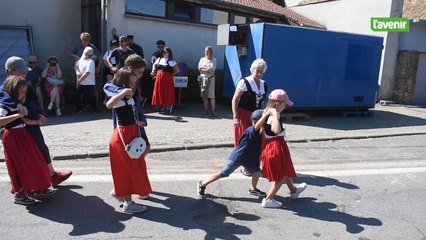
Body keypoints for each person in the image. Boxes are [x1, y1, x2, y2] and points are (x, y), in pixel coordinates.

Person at [5, 56, 72, 188]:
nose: (25, 74)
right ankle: (31, 185)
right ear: (10, 71)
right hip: (20, 128)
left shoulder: (25, 83)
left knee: (41, 148)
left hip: (33, 123)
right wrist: (23, 114)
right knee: (29, 157)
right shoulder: (5, 90)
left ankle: (51, 176)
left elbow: (32, 101)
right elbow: (7, 107)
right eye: (22, 72)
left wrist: (39, 113)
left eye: (25, 71)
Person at [0, 75, 55, 205]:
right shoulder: (5, 105)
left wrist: (35, 121)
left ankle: (38, 187)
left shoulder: (15, 102)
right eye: (22, 91)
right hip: (13, 137)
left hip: (22, 134)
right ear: (13, 89)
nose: (24, 94)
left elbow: (22, 120)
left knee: (36, 161)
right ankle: (20, 193)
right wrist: (17, 115)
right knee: (21, 165)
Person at [104, 67, 152, 214]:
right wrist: (124, 92)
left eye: (134, 81)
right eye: (130, 82)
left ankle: (121, 195)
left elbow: (127, 114)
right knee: (128, 169)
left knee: (133, 167)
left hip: (130, 132)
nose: (133, 84)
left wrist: (137, 123)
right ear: (124, 81)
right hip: (123, 136)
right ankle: (128, 203)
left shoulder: (129, 92)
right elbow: (109, 105)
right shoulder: (119, 92)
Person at [197, 109, 268, 198]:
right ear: (257, 121)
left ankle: (252, 189)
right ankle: (202, 183)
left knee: (256, 172)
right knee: (224, 173)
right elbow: (257, 128)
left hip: (250, 158)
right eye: (265, 121)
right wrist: (265, 115)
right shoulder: (251, 130)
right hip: (238, 157)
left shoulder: (260, 131)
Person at [260, 89, 307, 208]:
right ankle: (268, 200)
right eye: (284, 104)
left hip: (272, 146)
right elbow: (276, 130)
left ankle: (294, 191)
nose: (285, 106)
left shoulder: (266, 111)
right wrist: (275, 115)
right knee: (280, 177)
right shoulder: (273, 115)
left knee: (285, 170)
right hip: (275, 148)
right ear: (277, 103)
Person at [232, 58, 268, 148]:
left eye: (261, 71)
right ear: (252, 70)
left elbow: (262, 103)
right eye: (257, 71)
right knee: (244, 139)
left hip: (257, 117)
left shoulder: (264, 85)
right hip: (244, 115)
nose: (259, 74)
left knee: (256, 140)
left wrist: (264, 116)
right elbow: (235, 100)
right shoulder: (244, 82)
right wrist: (235, 117)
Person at [150, 47, 180, 114]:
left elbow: (177, 70)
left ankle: (166, 106)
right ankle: (159, 105)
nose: (163, 53)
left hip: (167, 79)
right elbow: (154, 66)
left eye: (165, 52)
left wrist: (171, 75)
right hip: (159, 77)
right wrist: (153, 71)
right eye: (163, 52)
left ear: (169, 53)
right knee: (159, 91)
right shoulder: (159, 59)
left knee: (166, 92)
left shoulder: (171, 61)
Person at [75, 47, 98, 113]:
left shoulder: (91, 61)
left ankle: (95, 109)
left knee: (91, 97)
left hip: (89, 83)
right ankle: (79, 109)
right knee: (78, 96)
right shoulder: (80, 60)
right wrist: (77, 73)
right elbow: (76, 66)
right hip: (81, 82)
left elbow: (87, 73)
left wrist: (79, 80)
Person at [198, 46, 217, 117]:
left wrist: (203, 68)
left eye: (207, 51)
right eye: (205, 51)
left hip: (211, 78)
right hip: (203, 78)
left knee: (212, 95)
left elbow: (212, 69)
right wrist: (207, 69)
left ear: (210, 52)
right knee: (204, 95)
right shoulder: (202, 59)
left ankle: (213, 111)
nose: (206, 52)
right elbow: (199, 68)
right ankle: (206, 110)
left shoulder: (214, 60)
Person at [102, 40, 119, 105]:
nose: (113, 47)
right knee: (109, 83)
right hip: (109, 67)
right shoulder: (108, 52)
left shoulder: (118, 52)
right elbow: (105, 61)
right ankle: (106, 99)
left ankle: (114, 98)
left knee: (116, 83)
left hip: (116, 67)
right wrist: (110, 67)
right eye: (112, 45)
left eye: (115, 45)